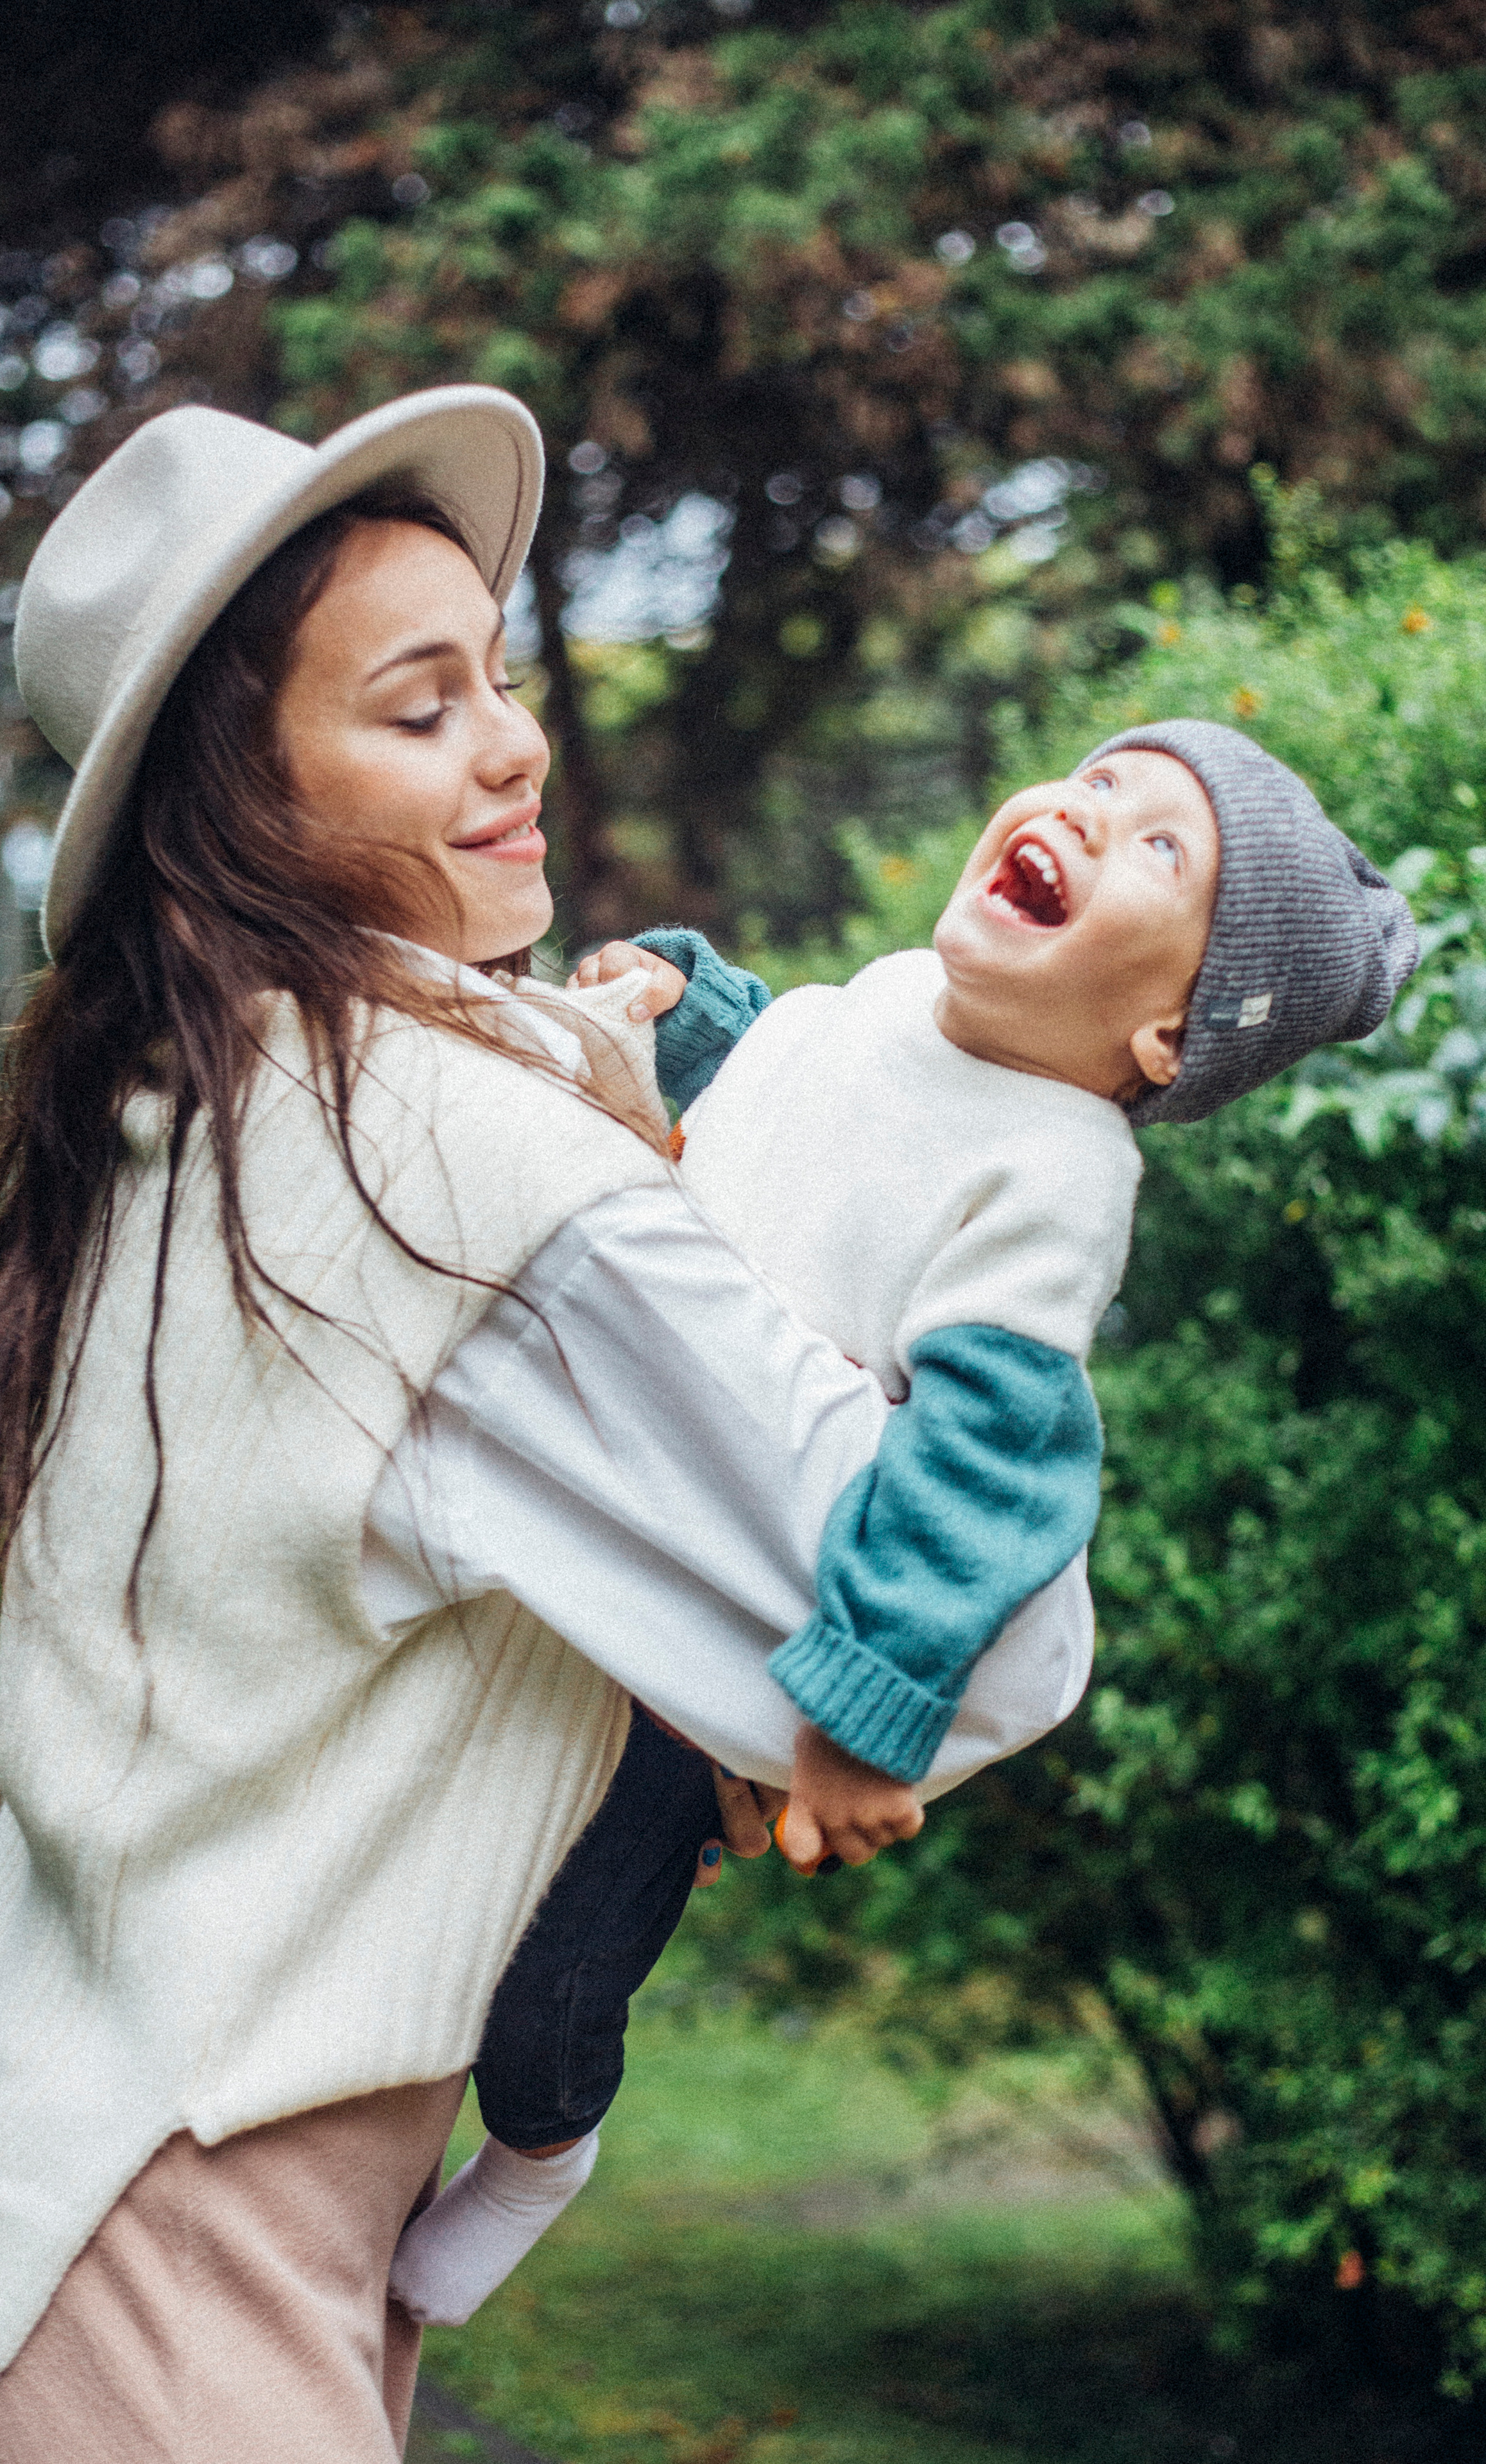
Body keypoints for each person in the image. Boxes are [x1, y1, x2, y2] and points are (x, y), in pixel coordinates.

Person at [0, 386, 1093, 2464]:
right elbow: (1003, 1644)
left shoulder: (218, 1104)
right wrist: (1022, 1246)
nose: (514, 746)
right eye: (421, 710)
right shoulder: (441, 1158)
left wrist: (723, 1701)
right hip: (174, 2279)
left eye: (496, 680)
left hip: (56, 2203)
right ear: (240, 801)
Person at [386, 719, 1420, 2330]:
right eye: (1099, 780)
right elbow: (780, 1076)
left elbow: (992, 1459)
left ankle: (537, 2151)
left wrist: (864, 1713)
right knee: (426, 1880)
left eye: (1160, 846)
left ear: (1165, 1034)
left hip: (706, 1638)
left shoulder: (1052, 1173)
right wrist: (683, 1005)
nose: (1088, 813)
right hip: (603, 1506)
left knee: (550, 1975)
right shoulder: (886, 999)